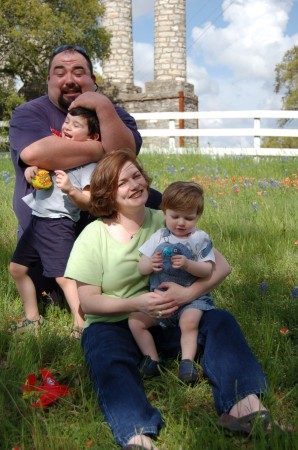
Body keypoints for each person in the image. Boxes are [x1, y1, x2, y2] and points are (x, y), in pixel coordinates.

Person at [64, 149, 271, 450]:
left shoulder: (168, 219)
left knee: (219, 321)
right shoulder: (93, 236)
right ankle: (137, 435)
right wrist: (138, 303)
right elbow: (90, 302)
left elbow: (221, 266)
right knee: (106, 356)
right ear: (106, 191)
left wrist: (188, 294)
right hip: (116, 323)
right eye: (123, 182)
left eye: (137, 175)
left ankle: (244, 407)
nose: (135, 184)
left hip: (172, 318)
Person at [9, 44, 161, 303]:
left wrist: (102, 107)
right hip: (51, 224)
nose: (69, 79)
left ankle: (146, 274)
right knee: (54, 296)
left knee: (154, 200)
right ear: (48, 80)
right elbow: (37, 153)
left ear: (93, 81)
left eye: (79, 72)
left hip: (105, 222)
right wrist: (101, 147)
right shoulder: (30, 112)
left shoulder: (114, 113)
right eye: (60, 72)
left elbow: (126, 154)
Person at [9, 107, 100, 338]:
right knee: (17, 269)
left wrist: (71, 189)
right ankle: (32, 318)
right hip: (37, 221)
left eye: (76, 125)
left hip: (58, 223)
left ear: (92, 138)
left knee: (64, 277)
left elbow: (87, 202)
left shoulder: (88, 166)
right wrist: (32, 171)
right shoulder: (58, 153)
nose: (67, 126)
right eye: (67, 121)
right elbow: (40, 168)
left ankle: (82, 326)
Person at [129, 181, 216, 384]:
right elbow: (141, 267)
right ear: (164, 212)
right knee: (135, 321)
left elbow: (207, 269)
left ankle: (186, 363)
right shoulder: (159, 237)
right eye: (174, 216)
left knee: (189, 322)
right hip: (161, 300)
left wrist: (188, 265)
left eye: (189, 218)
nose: (181, 223)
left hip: (189, 300)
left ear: (198, 216)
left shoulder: (199, 238)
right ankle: (152, 360)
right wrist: (151, 264)